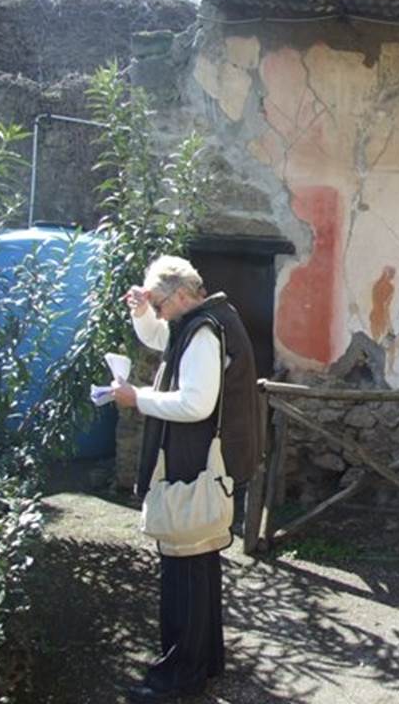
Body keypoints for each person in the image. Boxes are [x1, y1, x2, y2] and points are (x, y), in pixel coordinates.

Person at [112, 255, 259, 702]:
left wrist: (137, 398)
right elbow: (162, 339)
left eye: (158, 303)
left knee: (186, 568)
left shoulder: (202, 330)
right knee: (197, 565)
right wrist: (142, 311)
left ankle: (182, 673)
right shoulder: (204, 318)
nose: (156, 312)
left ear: (179, 296)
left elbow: (196, 404)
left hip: (195, 463)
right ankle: (203, 662)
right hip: (198, 462)